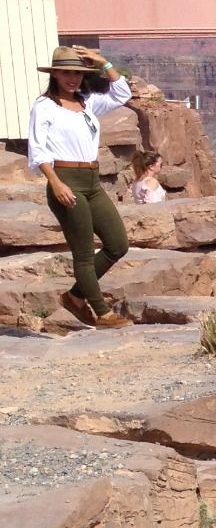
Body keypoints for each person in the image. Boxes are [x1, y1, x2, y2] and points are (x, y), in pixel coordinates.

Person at [28, 44, 134, 328]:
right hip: (65, 179)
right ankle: (101, 313)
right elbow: (38, 150)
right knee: (84, 252)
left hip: (92, 180)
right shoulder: (45, 106)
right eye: (66, 73)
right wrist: (55, 182)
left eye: (77, 72)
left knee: (118, 244)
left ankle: (75, 297)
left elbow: (122, 93)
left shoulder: (88, 102)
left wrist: (103, 62)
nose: (72, 78)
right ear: (55, 74)